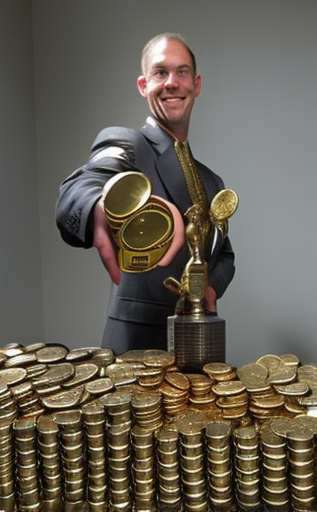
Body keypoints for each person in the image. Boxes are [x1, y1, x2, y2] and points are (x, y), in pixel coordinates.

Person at [55, 32, 235, 354]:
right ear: (143, 85)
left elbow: (224, 255)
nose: (172, 83)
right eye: (160, 72)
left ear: (196, 85)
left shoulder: (212, 183)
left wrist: (210, 288)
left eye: (181, 72)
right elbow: (80, 187)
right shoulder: (126, 145)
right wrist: (97, 206)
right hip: (135, 352)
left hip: (199, 348)